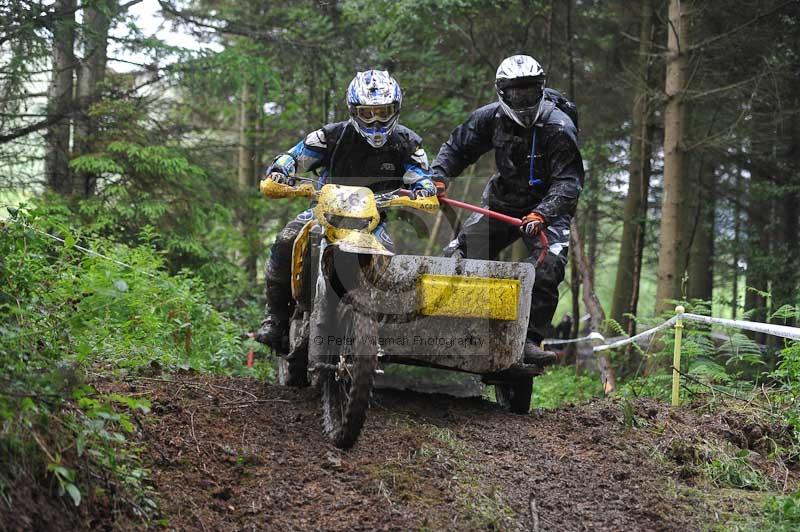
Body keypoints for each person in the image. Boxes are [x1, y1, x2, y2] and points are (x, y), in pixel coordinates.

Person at [255, 70, 436, 350]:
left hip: (374, 220)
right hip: (325, 212)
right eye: (367, 114)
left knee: (391, 264)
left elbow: (421, 176)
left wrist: (423, 189)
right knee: (287, 239)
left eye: (383, 112)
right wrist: (281, 170)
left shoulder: (408, 143)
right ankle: (275, 318)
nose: (375, 121)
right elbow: (295, 156)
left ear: (395, 110)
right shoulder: (330, 136)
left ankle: (378, 331)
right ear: (354, 111)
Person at [430, 54, 584, 364]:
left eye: (529, 91)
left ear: (541, 88)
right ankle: (455, 326)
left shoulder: (559, 127)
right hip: (503, 202)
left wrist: (543, 214)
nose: (523, 99)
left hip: (547, 210)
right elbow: (457, 148)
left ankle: (529, 340)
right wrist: (438, 177)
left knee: (549, 265)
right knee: (459, 252)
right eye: (516, 92)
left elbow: (569, 182)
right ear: (503, 92)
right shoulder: (489, 118)